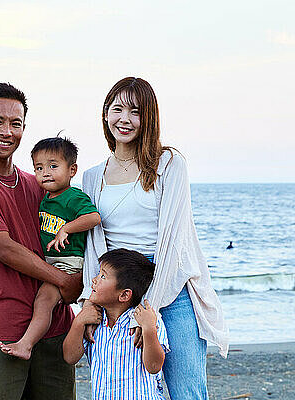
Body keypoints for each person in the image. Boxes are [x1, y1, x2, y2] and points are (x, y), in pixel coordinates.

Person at [80, 77, 229, 400]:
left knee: (185, 390)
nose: (125, 119)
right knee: (124, 388)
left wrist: (149, 308)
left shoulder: (169, 164)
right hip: (117, 289)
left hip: (170, 286)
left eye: (135, 111)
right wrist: (90, 301)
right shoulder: (92, 176)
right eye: (117, 109)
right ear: (105, 114)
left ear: (149, 117)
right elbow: (94, 243)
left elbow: (174, 240)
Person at [0, 83, 83, 399]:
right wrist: (65, 281)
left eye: (16, 123)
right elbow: (6, 249)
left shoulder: (38, 185)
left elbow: (78, 232)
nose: (7, 131)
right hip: (4, 328)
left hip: (55, 325)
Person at [0, 137, 101, 360]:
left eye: (53, 166)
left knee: (43, 302)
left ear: (72, 169)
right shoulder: (46, 199)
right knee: (43, 302)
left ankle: (26, 344)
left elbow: (93, 217)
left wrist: (67, 228)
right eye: (39, 168)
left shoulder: (73, 196)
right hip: (52, 262)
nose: (45, 172)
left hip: (68, 263)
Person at [64, 248, 169, 399]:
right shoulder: (93, 320)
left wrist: (149, 329)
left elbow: (154, 367)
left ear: (124, 294)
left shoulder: (146, 320)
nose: (94, 280)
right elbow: (70, 357)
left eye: (102, 276)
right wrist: (78, 321)